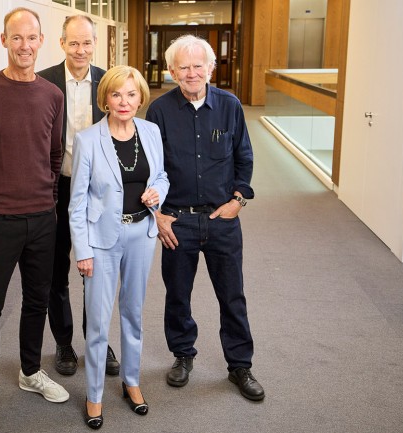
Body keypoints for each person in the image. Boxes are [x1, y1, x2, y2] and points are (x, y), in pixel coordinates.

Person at [0, 7, 68, 427]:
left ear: (42, 41)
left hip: (43, 218)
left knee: (37, 300)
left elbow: (54, 154)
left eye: (32, 38)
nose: (25, 45)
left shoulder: (52, 95)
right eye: (16, 38)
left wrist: (50, 202)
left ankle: (29, 371)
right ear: (3, 41)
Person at [145, 34, 265, 402]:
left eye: (199, 66)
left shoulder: (230, 106)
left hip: (222, 220)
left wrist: (238, 201)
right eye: (184, 66)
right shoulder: (159, 110)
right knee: (177, 294)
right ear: (171, 71)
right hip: (177, 221)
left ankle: (240, 365)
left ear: (211, 68)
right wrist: (159, 215)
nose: (192, 73)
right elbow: (150, 168)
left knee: (232, 296)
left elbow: (244, 158)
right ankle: (183, 355)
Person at [69, 65, 169, 429]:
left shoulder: (151, 132)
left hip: (141, 234)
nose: (124, 102)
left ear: (141, 98)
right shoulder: (87, 139)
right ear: (105, 99)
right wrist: (82, 249)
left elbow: (161, 175)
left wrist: (159, 192)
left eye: (131, 94)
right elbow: (76, 203)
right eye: (116, 94)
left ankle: (131, 381)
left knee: (133, 314)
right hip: (101, 242)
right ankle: (94, 394)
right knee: (97, 322)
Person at [37, 14, 119, 378]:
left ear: (94, 43)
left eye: (87, 43)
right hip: (58, 188)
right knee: (57, 270)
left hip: (98, 193)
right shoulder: (44, 82)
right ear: (62, 44)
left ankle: (97, 339)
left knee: (96, 270)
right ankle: (63, 342)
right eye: (74, 43)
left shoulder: (110, 82)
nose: (81, 50)